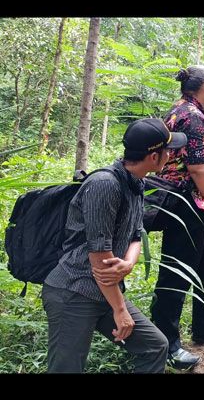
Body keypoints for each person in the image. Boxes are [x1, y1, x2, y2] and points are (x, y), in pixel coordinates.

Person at [42, 118, 186, 373]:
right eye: (168, 150)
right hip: (74, 291)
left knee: (155, 346)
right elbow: (101, 260)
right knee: (66, 368)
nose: (171, 154)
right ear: (154, 157)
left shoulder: (137, 182)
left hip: (104, 291)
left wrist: (129, 263)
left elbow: (136, 233)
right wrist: (120, 310)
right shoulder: (104, 185)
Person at [151, 65, 204, 371]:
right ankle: (165, 343)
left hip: (197, 206)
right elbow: (199, 169)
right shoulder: (194, 117)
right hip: (186, 204)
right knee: (177, 271)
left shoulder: (181, 110)